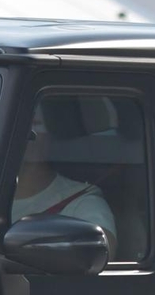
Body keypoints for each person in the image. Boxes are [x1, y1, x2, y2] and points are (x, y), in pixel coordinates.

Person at [11, 108, 118, 256]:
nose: (23, 134)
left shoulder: (81, 203)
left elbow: (101, 253)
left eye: (35, 125)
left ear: (52, 137)